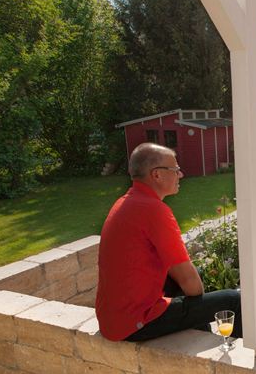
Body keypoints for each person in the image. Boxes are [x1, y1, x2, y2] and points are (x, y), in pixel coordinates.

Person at [95, 142, 242, 343]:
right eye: (175, 169)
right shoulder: (153, 210)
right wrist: (200, 311)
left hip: (113, 317)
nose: (180, 175)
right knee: (234, 300)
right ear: (157, 175)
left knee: (195, 275)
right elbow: (189, 282)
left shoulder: (126, 202)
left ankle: (201, 337)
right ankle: (237, 361)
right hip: (133, 324)